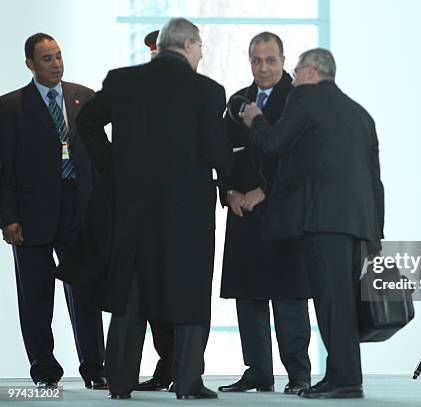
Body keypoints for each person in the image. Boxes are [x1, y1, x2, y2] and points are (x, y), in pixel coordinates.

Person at [68, 18, 232, 399]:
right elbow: (217, 151)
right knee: (190, 292)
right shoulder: (207, 90)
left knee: (131, 292)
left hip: (132, 208)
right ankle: (188, 381)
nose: (202, 54)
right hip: (186, 212)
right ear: (188, 45)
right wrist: (236, 186)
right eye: (201, 47)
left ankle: (121, 382)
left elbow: (88, 123)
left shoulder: (122, 80)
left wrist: (112, 167)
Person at [241, 48, 384, 399]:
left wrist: (255, 119)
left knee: (331, 303)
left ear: (307, 72)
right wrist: (376, 233)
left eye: (297, 69)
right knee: (342, 303)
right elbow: (375, 179)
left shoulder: (304, 98)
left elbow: (274, 144)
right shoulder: (360, 113)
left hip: (323, 219)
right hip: (357, 222)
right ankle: (342, 376)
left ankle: (346, 381)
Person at [0, 33, 106, 390]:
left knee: (86, 291)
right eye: (46, 58)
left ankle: (95, 368)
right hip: (31, 216)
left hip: (80, 209)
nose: (56, 64)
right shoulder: (10, 106)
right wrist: (8, 216)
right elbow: (3, 168)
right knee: (35, 297)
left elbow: (99, 156)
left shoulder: (84, 97)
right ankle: (45, 371)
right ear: (30, 64)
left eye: (59, 56)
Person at [218, 32, 311, 395]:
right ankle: (257, 371)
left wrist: (263, 192)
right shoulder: (236, 103)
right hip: (242, 214)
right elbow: (221, 153)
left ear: (284, 60)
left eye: (270, 60)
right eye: (256, 60)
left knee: (289, 297)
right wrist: (228, 193)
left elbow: (304, 160)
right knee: (249, 296)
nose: (263, 67)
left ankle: (299, 374)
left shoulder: (299, 100)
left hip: (284, 215)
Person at [132, 28, 175, 393]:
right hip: (144, 208)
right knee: (150, 291)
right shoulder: (137, 95)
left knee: (181, 289)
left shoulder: (197, 92)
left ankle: (184, 365)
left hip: (181, 211)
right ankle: (166, 366)